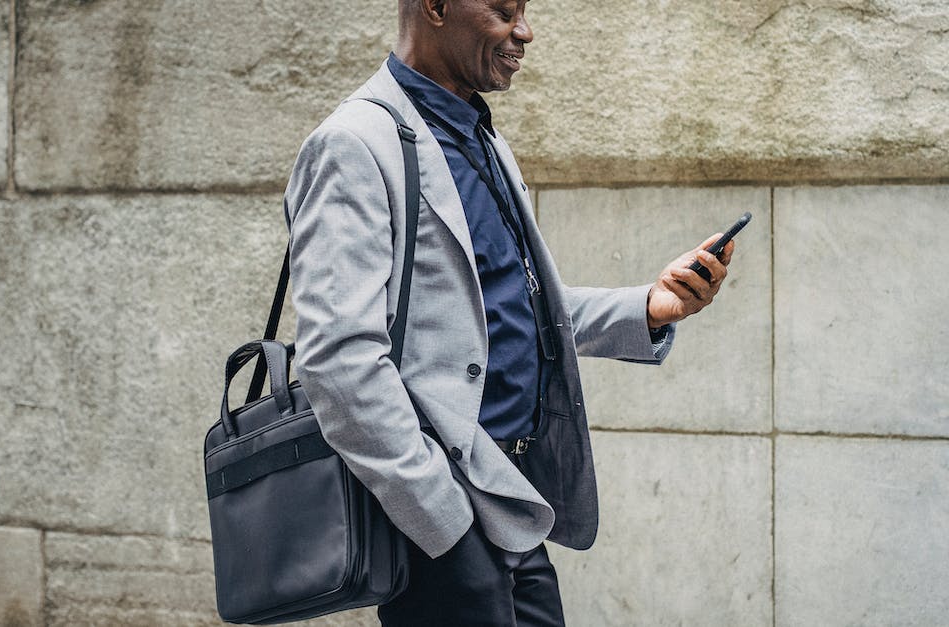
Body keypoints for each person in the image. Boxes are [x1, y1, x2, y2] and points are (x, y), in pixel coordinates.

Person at [283, 0, 734, 624]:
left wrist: (650, 308)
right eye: (502, 10)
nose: (525, 31)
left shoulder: (480, 136)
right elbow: (339, 361)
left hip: (509, 502)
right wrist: (444, 528)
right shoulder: (353, 144)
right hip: (445, 517)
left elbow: (512, 307)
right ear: (435, 7)